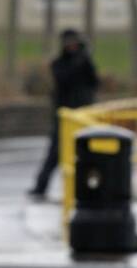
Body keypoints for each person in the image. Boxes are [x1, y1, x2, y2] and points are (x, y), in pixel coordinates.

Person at [28, 29, 99, 199]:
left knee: (89, 155)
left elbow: (93, 81)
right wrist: (78, 60)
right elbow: (64, 79)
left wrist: (84, 58)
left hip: (84, 116)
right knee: (55, 154)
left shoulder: (85, 61)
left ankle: (92, 188)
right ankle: (41, 186)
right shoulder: (59, 64)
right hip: (65, 116)